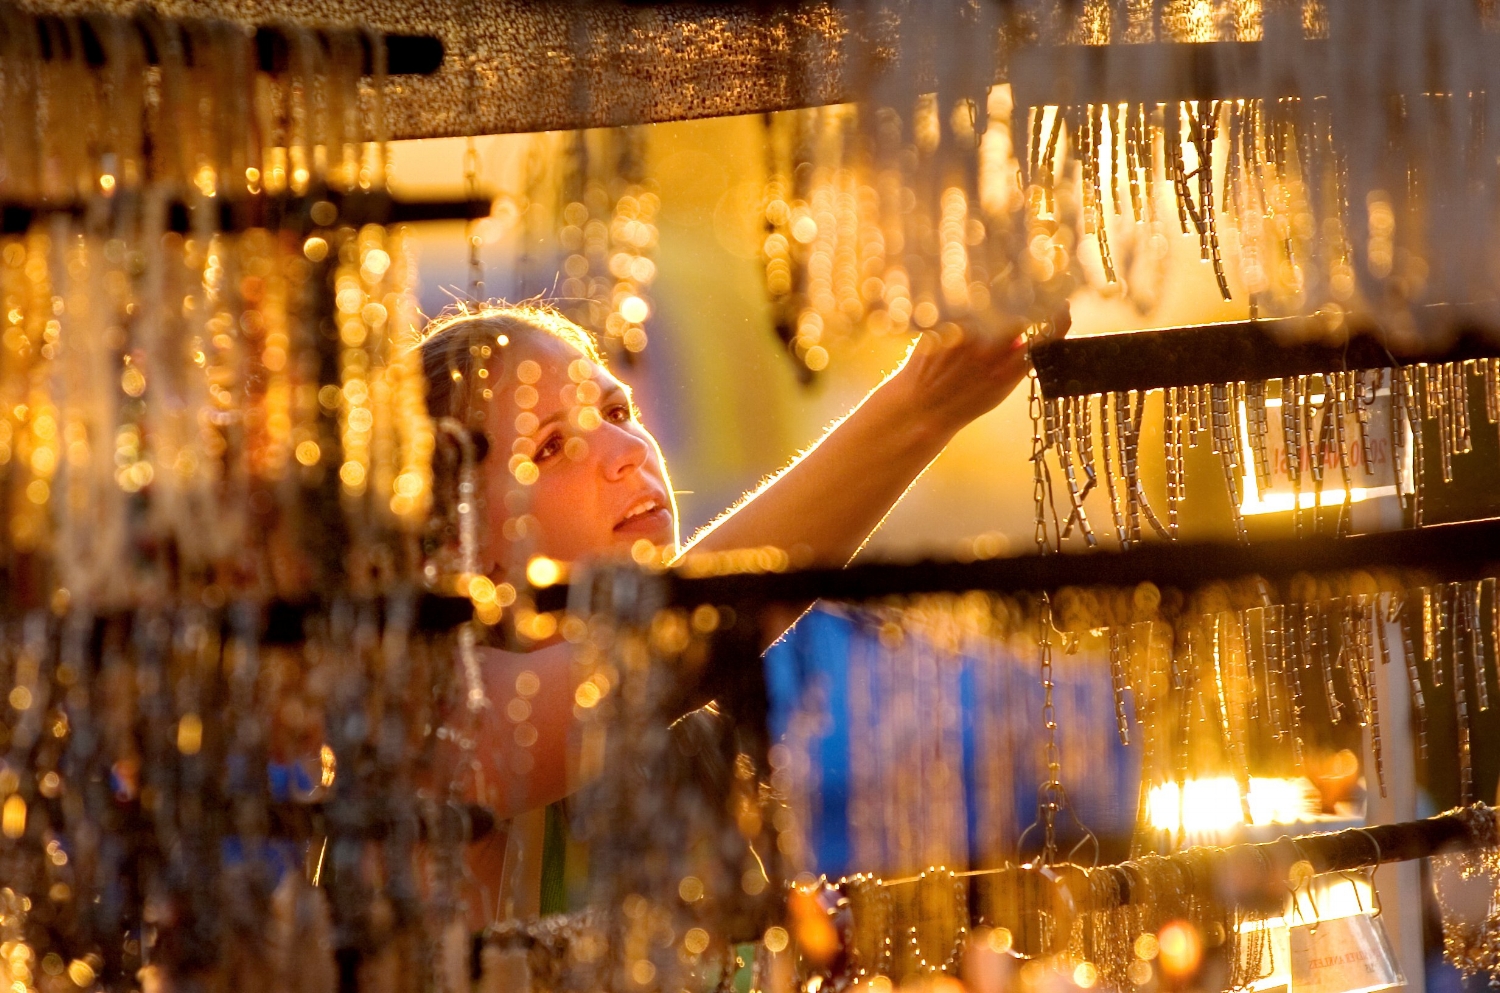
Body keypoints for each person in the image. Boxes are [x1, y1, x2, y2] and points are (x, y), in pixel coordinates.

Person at [417, 300, 1066, 923]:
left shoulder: (682, 753)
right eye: (552, 446)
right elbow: (675, 636)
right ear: (463, 540)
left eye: (618, 409)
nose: (625, 450)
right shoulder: (429, 728)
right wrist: (916, 408)